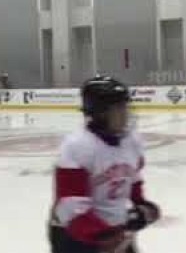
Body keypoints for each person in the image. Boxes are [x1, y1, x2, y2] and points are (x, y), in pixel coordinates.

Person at [48, 75, 161, 253]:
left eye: (126, 107)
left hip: (114, 230)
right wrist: (104, 236)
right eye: (118, 108)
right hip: (74, 235)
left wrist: (141, 206)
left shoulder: (131, 141)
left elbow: (132, 178)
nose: (126, 114)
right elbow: (70, 209)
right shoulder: (78, 146)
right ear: (99, 113)